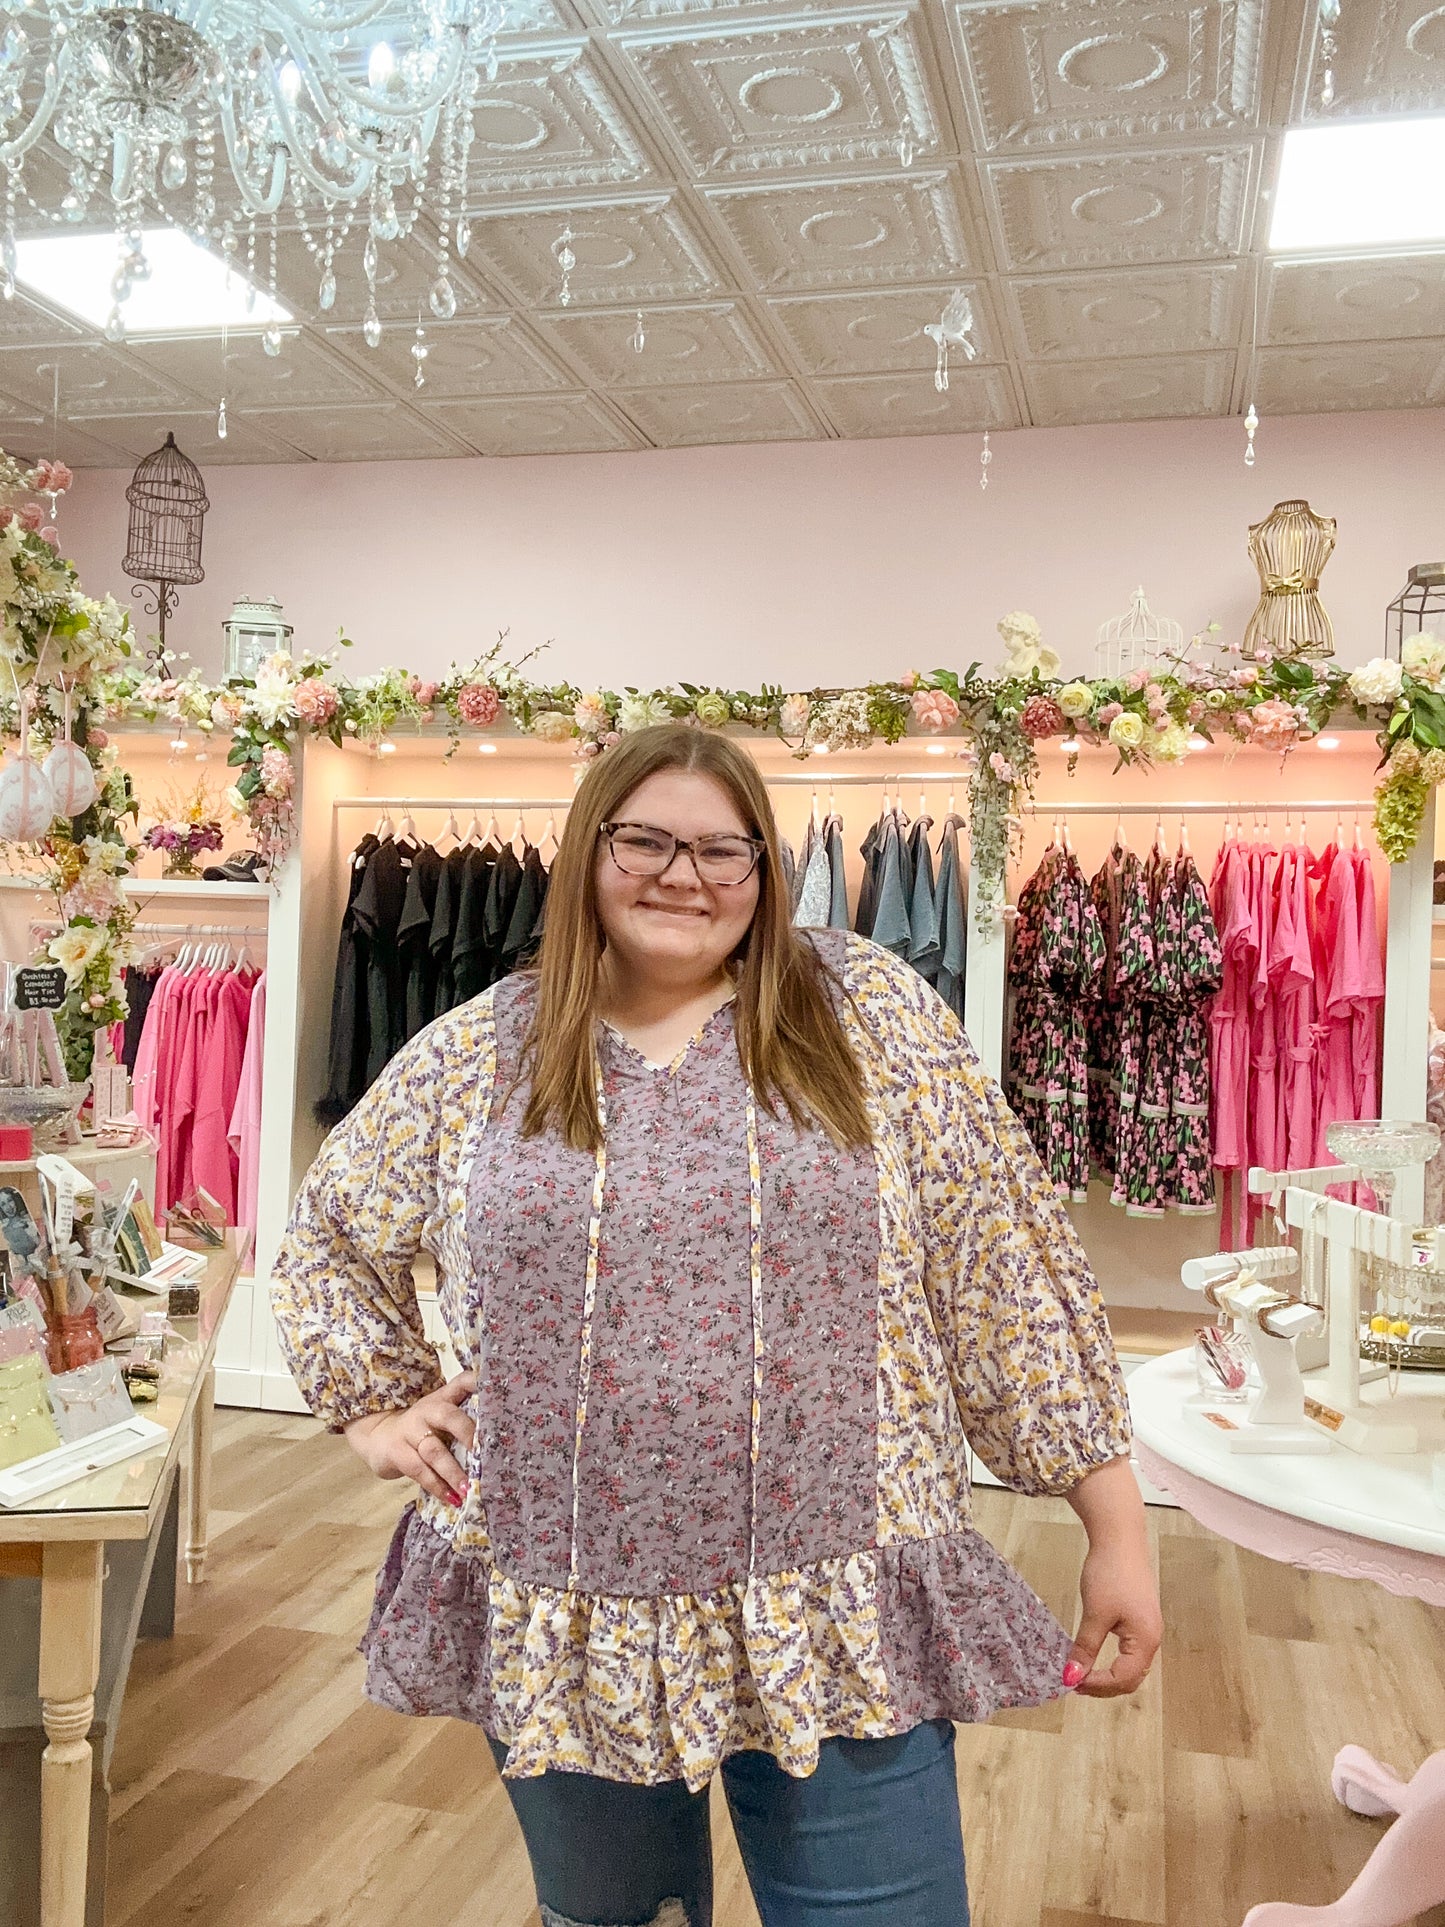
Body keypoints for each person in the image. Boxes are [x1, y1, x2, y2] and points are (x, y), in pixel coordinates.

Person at [272, 724, 1161, 1927]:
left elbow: (998, 1262)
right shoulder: (483, 1049)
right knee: (608, 1919)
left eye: (721, 850)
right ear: (589, 852)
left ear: (763, 870)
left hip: (834, 1603)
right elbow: (330, 1227)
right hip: (560, 1601)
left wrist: (1115, 1528)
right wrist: (375, 1410)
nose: (680, 876)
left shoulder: (867, 1017)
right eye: (643, 840)